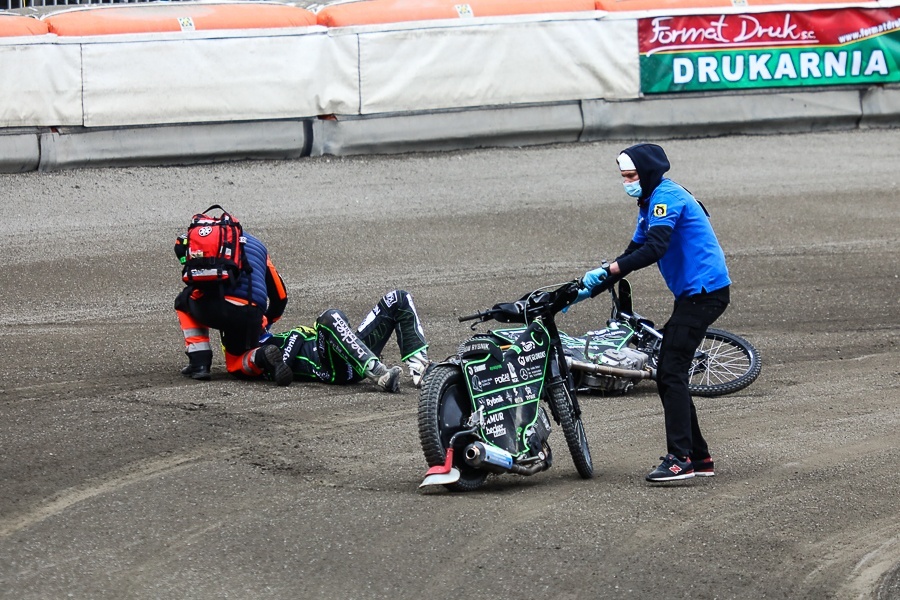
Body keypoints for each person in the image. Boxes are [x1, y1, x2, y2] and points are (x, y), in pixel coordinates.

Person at [574, 143, 731, 482]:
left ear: (646, 173)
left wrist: (611, 269)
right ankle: (699, 458)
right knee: (669, 372)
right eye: (623, 176)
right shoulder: (648, 202)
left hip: (704, 295)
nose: (626, 182)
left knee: (670, 372)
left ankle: (680, 459)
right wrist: (593, 285)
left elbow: (655, 248)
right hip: (694, 295)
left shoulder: (665, 199)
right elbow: (634, 249)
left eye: (630, 175)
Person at [174, 228, 293, 386]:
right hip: (251, 312)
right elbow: (280, 297)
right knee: (237, 364)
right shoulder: (259, 247)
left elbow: (180, 247)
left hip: (216, 307)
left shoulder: (207, 240)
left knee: (183, 301)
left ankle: (199, 363)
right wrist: (266, 321)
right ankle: (261, 355)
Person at [259, 289, 431, 393]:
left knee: (398, 298)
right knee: (329, 317)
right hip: (331, 369)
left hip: (351, 355)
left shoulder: (276, 334)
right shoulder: (256, 349)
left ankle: (421, 371)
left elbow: (304, 333)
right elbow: (280, 368)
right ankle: (380, 374)